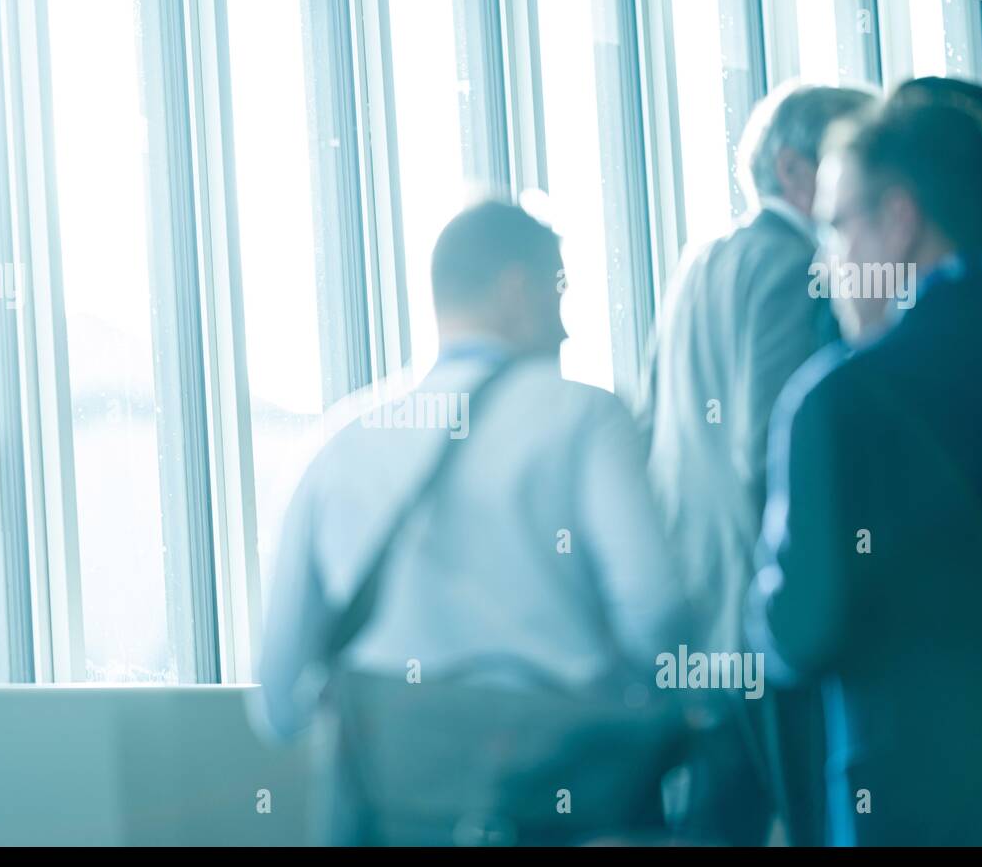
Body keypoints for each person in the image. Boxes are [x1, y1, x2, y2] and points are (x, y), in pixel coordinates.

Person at [748, 101, 982, 845]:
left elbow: (800, 632)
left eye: (836, 227)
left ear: (898, 220)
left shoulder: (840, 402)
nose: (828, 265)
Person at [255, 200, 688, 742]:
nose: (566, 331)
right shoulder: (586, 416)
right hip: (560, 775)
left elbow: (277, 700)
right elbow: (657, 608)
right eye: (559, 296)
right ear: (516, 292)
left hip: (395, 796)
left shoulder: (336, 444)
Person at [642, 82, 875, 845]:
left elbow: (654, 440)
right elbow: (772, 447)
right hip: (769, 629)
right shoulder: (793, 264)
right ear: (794, 169)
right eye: (847, 161)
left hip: (703, 629)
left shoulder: (696, 267)